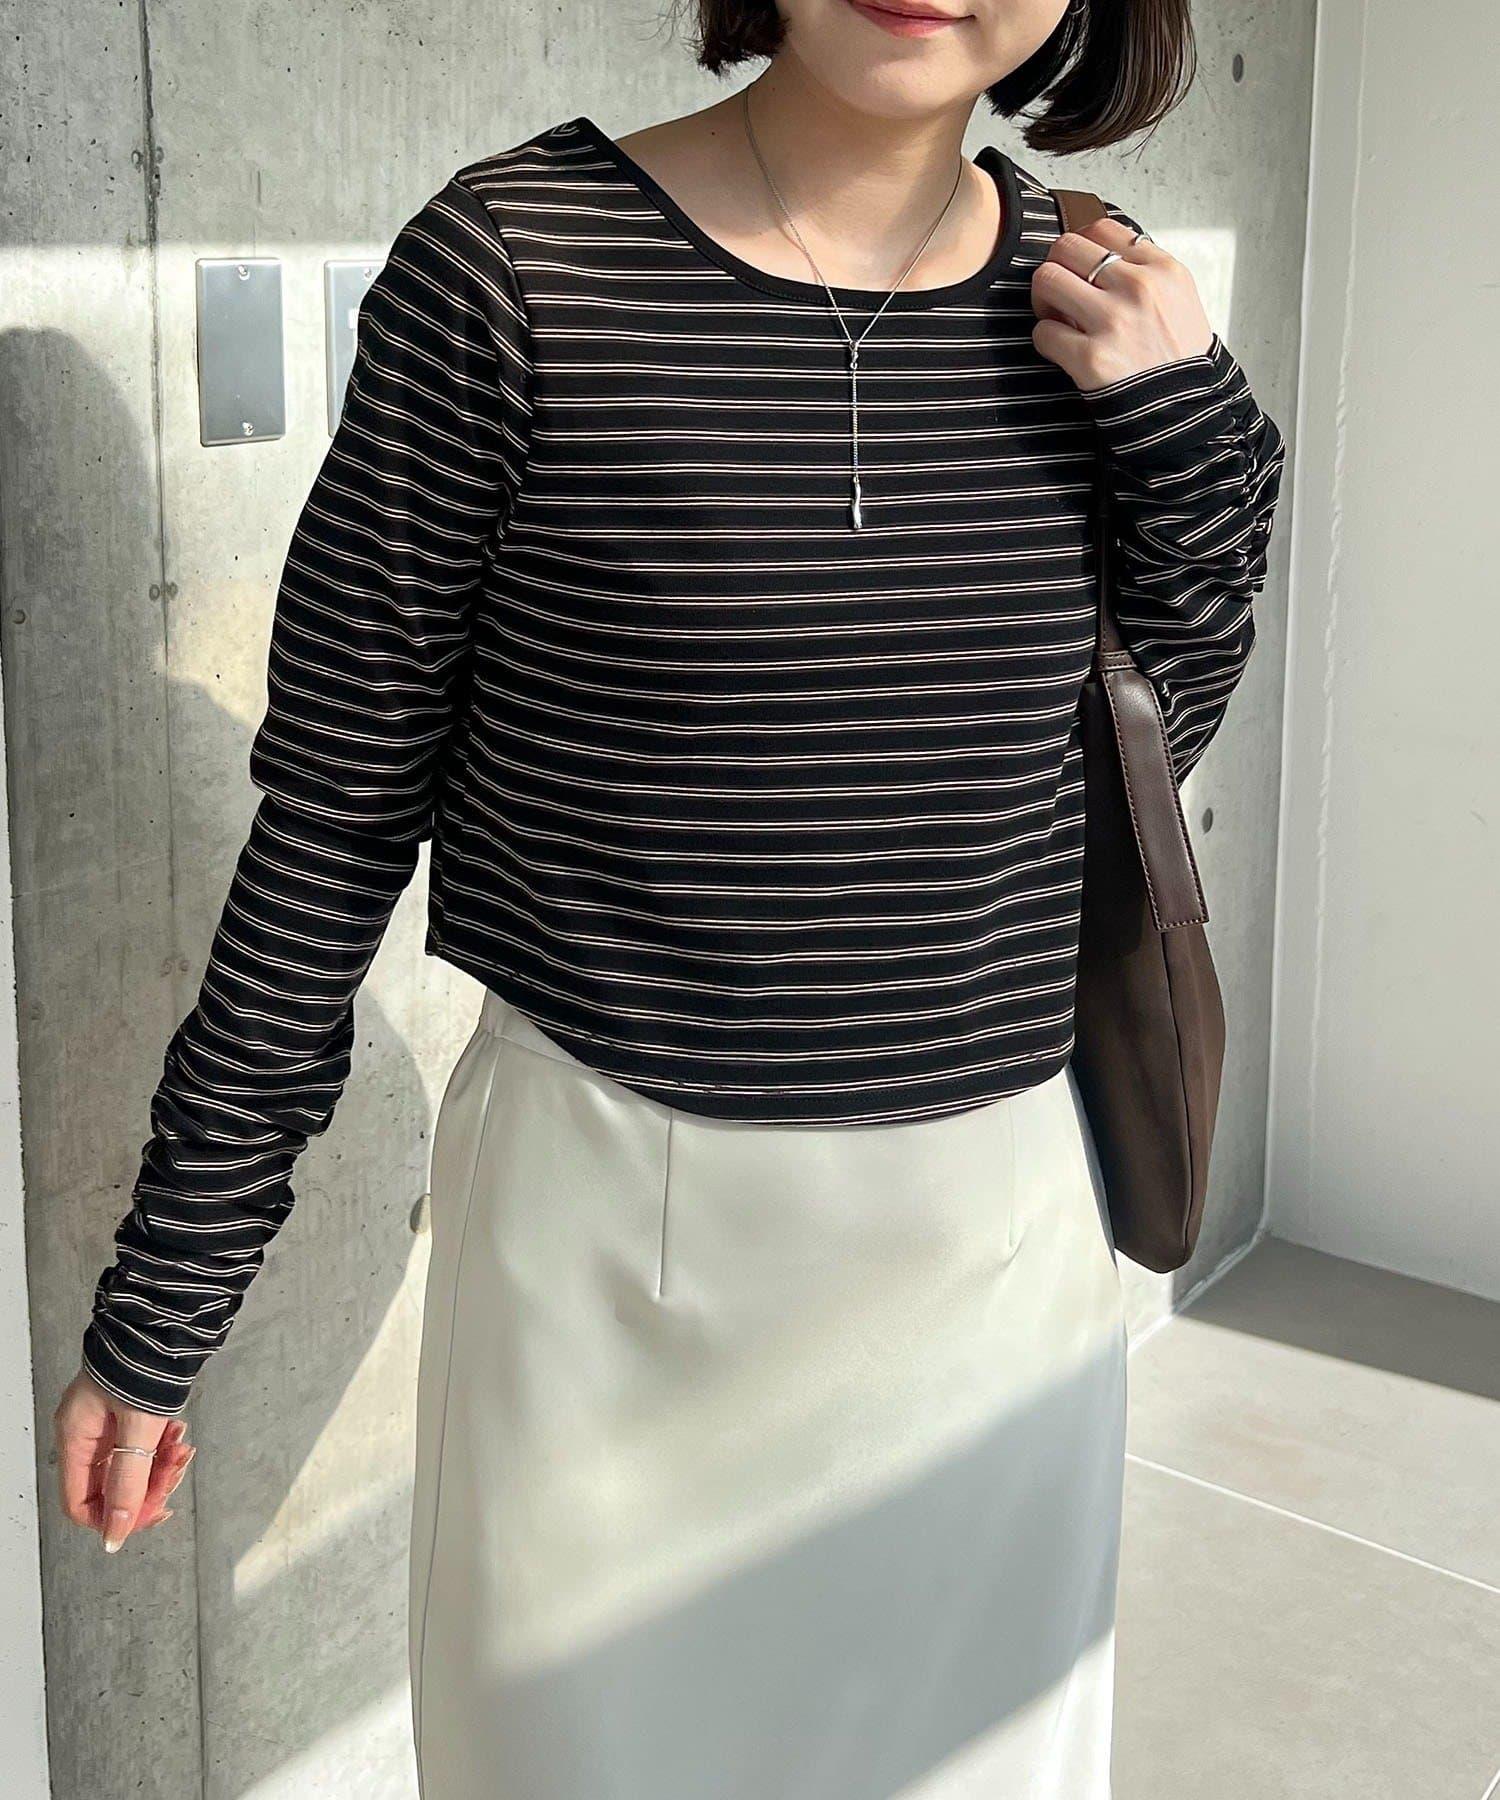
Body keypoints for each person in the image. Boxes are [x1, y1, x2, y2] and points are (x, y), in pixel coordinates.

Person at [53, 0, 1285, 1793]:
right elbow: (331, 823)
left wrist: (1185, 429)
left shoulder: (1105, 306)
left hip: (992, 1255)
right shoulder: (512, 271)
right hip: (605, 1255)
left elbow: (1118, 784)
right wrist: (170, 1295)